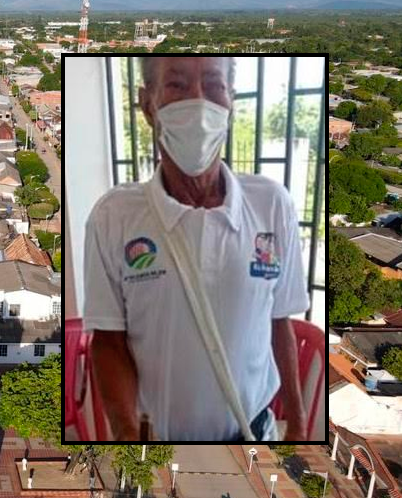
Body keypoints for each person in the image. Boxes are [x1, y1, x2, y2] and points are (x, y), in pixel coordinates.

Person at [83, 56, 310, 441]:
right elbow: (108, 341)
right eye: (177, 85)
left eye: (214, 85)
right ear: (147, 104)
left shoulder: (271, 204)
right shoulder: (114, 217)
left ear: (230, 100)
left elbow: (279, 322)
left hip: (255, 437)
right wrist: (125, 434)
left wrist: (300, 429)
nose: (199, 102)